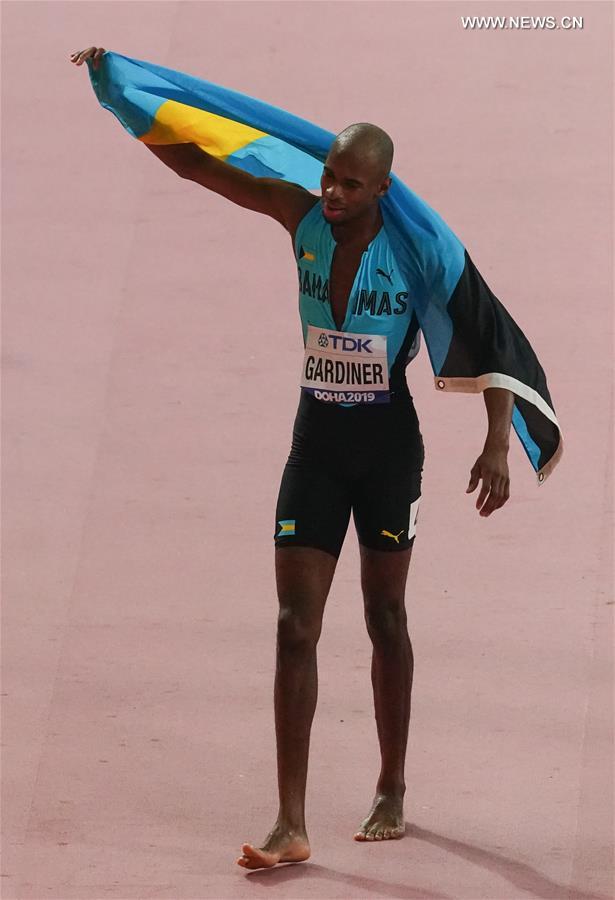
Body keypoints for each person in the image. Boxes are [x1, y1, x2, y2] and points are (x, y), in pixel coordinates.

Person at [71, 46, 514, 870]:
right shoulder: (298, 216)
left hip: (388, 450)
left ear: (381, 189)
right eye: (329, 177)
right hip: (315, 444)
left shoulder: (419, 252)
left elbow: (486, 335)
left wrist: (495, 438)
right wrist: (124, 93)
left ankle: (390, 785)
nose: (332, 194)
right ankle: (290, 819)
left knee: (385, 618)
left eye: (349, 184)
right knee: (291, 628)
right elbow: (198, 167)